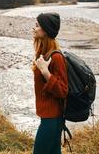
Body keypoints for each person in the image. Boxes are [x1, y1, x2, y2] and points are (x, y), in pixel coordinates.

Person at [32, 13, 68, 154]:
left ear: (45, 30)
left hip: (52, 120)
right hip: (49, 117)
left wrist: (45, 72)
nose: (34, 28)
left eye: (37, 25)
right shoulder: (44, 53)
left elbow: (63, 90)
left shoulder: (56, 57)